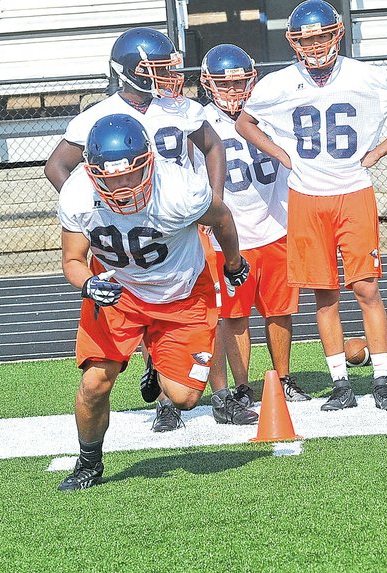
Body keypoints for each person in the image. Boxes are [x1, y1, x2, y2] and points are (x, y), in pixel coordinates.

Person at [236, 0, 387, 412]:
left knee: (366, 287)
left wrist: (378, 152)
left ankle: (381, 377)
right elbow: (244, 122)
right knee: (324, 294)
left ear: (337, 33)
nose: (316, 45)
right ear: (294, 42)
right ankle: (340, 381)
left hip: (354, 190)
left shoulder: (365, 75)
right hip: (306, 197)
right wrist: (281, 155)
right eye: (307, 39)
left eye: (322, 35)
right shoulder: (278, 83)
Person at [44, 27, 228, 432]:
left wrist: (212, 201)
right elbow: (57, 166)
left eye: (168, 67)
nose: (167, 75)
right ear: (127, 72)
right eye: (156, 68)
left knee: (184, 300)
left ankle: (176, 370)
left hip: (177, 217)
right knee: (100, 370)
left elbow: (214, 146)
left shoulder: (180, 108)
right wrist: (104, 210)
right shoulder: (96, 118)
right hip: (127, 234)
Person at [56, 114, 252, 491]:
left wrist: (233, 263)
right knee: (95, 383)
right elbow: (72, 260)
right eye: (112, 178)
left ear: (150, 161)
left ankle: (156, 358)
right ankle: (88, 462)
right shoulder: (78, 193)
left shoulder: (180, 187)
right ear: (92, 171)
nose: (124, 186)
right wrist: (88, 284)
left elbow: (224, 219)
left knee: (185, 398)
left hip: (181, 295)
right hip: (118, 291)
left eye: (131, 174)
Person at [197, 43, 311, 411]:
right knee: (234, 315)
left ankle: (285, 377)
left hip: (277, 225)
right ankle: (244, 385)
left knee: (280, 310)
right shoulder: (196, 123)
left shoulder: (270, 110)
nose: (233, 91)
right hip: (229, 237)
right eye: (224, 84)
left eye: (240, 83)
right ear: (207, 83)